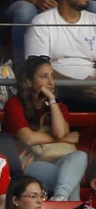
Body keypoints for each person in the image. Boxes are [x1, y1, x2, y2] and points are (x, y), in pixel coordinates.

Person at [7, 56, 88, 201]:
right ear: (29, 82)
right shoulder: (15, 104)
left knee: (81, 156)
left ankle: (59, 198)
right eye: (44, 77)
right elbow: (29, 139)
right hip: (30, 162)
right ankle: (66, 207)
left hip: (59, 158)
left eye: (52, 76)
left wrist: (51, 99)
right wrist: (63, 139)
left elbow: (60, 132)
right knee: (71, 182)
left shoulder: (59, 106)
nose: (51, 82)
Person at [26, 0, 96, 83]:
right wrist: (78, 86)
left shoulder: (94, 21)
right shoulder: (42, 23)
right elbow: (37, 69)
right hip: (56, 93)